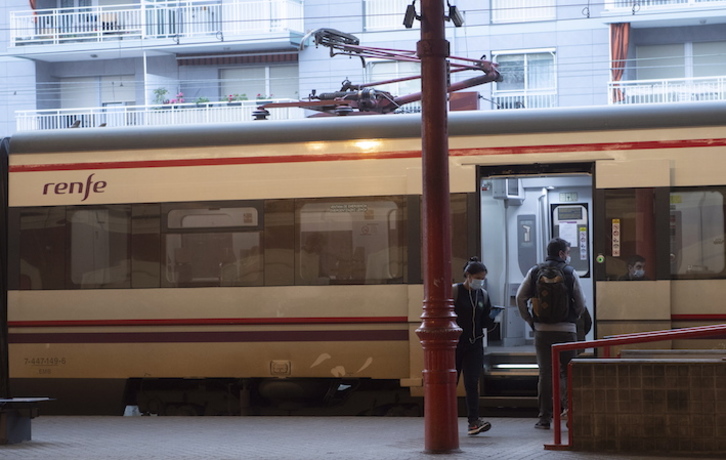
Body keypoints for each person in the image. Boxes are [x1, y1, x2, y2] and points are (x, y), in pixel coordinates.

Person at [516, 238, 587, 430]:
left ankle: (544, 418)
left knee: (545, 374)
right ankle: (569, 415)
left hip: (542, 332)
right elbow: (581, 301)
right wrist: (573, 317)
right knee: (567, 373)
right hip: (567, 331)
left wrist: (530, 320)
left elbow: (520, 298)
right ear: (562, 254)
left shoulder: (534, 271)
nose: (569, 255)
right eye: (568, 252)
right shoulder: (570, 272)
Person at [453, 257, 495, 435]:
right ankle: (447, 420)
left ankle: (474, 421)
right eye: (478, 277)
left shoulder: (483, 295)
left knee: (472, 383)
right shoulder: (454, 292)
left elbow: (485, 320)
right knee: (450, 383)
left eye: (483, 278)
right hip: (454, 345)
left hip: (475, 344)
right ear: (468, 275)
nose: (480, 281)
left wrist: (493, 317)